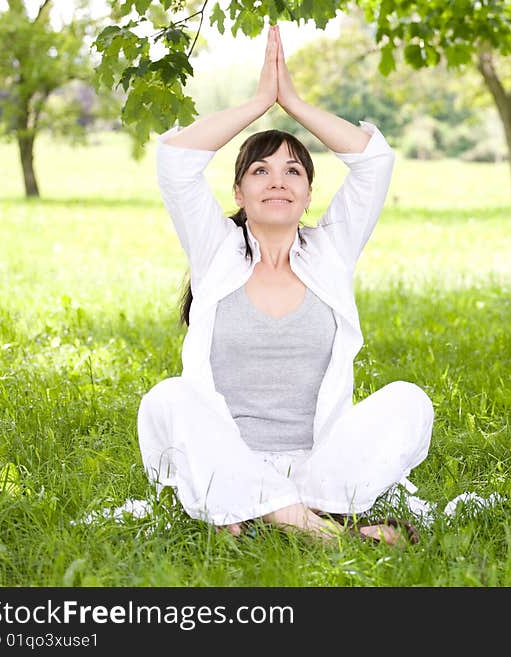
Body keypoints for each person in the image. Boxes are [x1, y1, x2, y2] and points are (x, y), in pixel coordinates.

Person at [136, 24, 434, 546]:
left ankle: (266, 513)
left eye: (294, 171)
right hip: (226, 455)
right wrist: (258, 103)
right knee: (167, 399)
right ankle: (325, 532)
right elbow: (176, 159)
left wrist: (292, 102)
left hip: (319, 465)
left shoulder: (329, 253)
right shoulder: (217, 253)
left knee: (410, 401)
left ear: (309, 194)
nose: (278, 180)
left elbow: (373, 162)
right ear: (239, 190)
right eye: (261, 171)